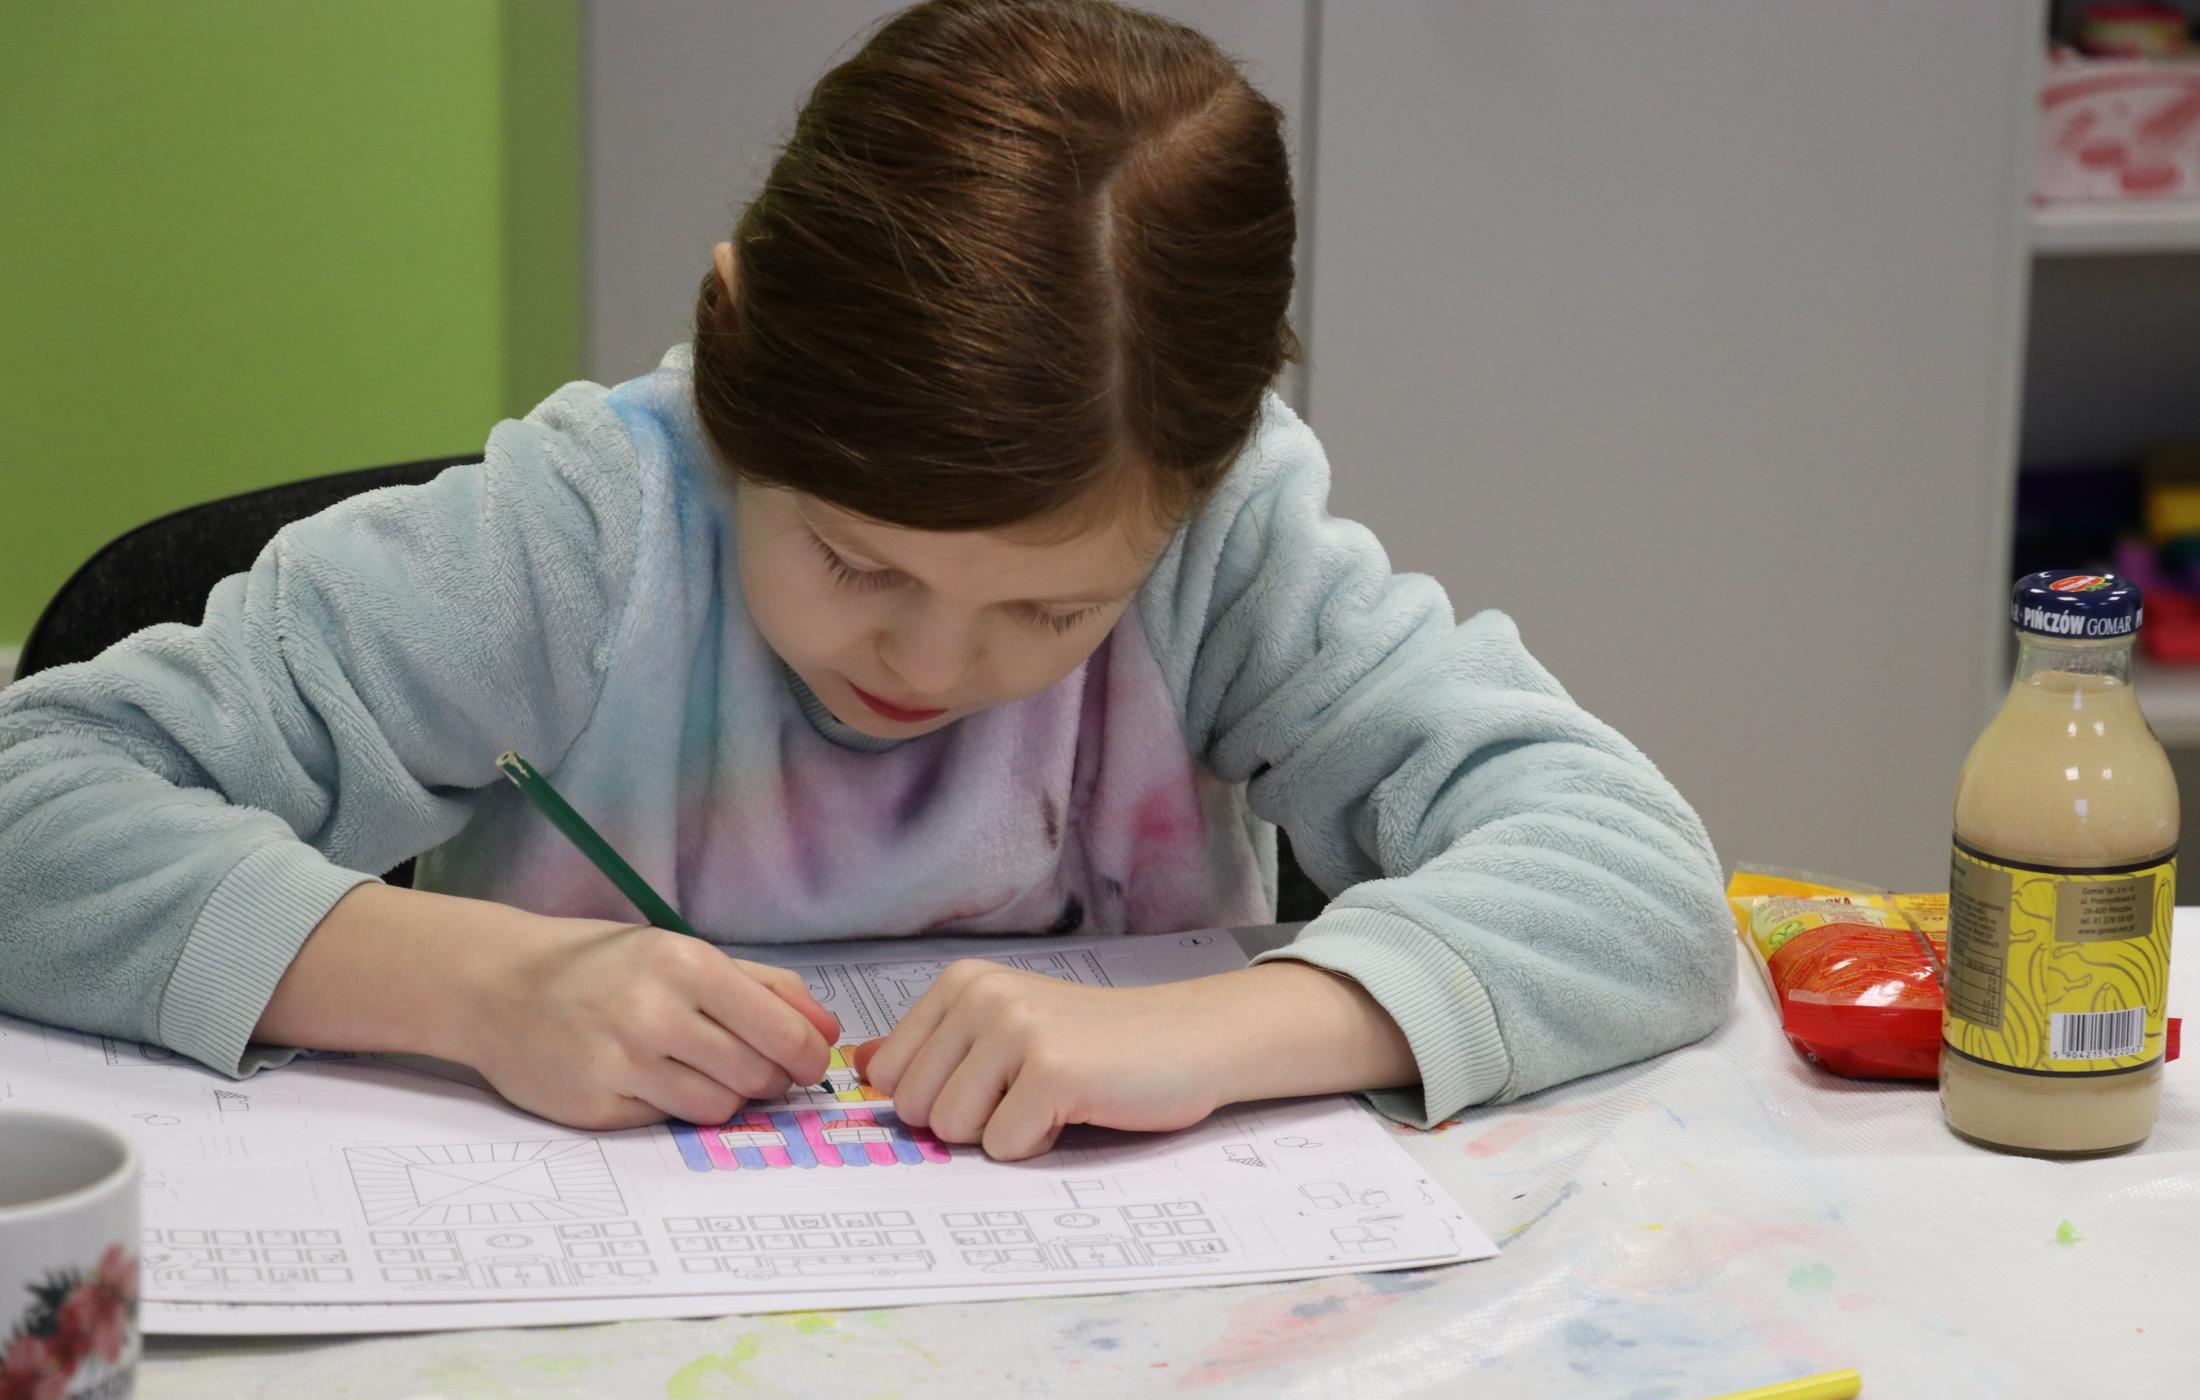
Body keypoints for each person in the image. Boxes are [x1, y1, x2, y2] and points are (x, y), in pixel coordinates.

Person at [0, 0, 1731, 1160]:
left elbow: (1637, 881)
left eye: (1053, 611)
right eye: (853, 557)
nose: (932, 660)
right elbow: (35, 803)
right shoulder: (582, 538)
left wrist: (1227, 1030)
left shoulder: (1225, 550)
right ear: (734, 350)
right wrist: (482, 986)